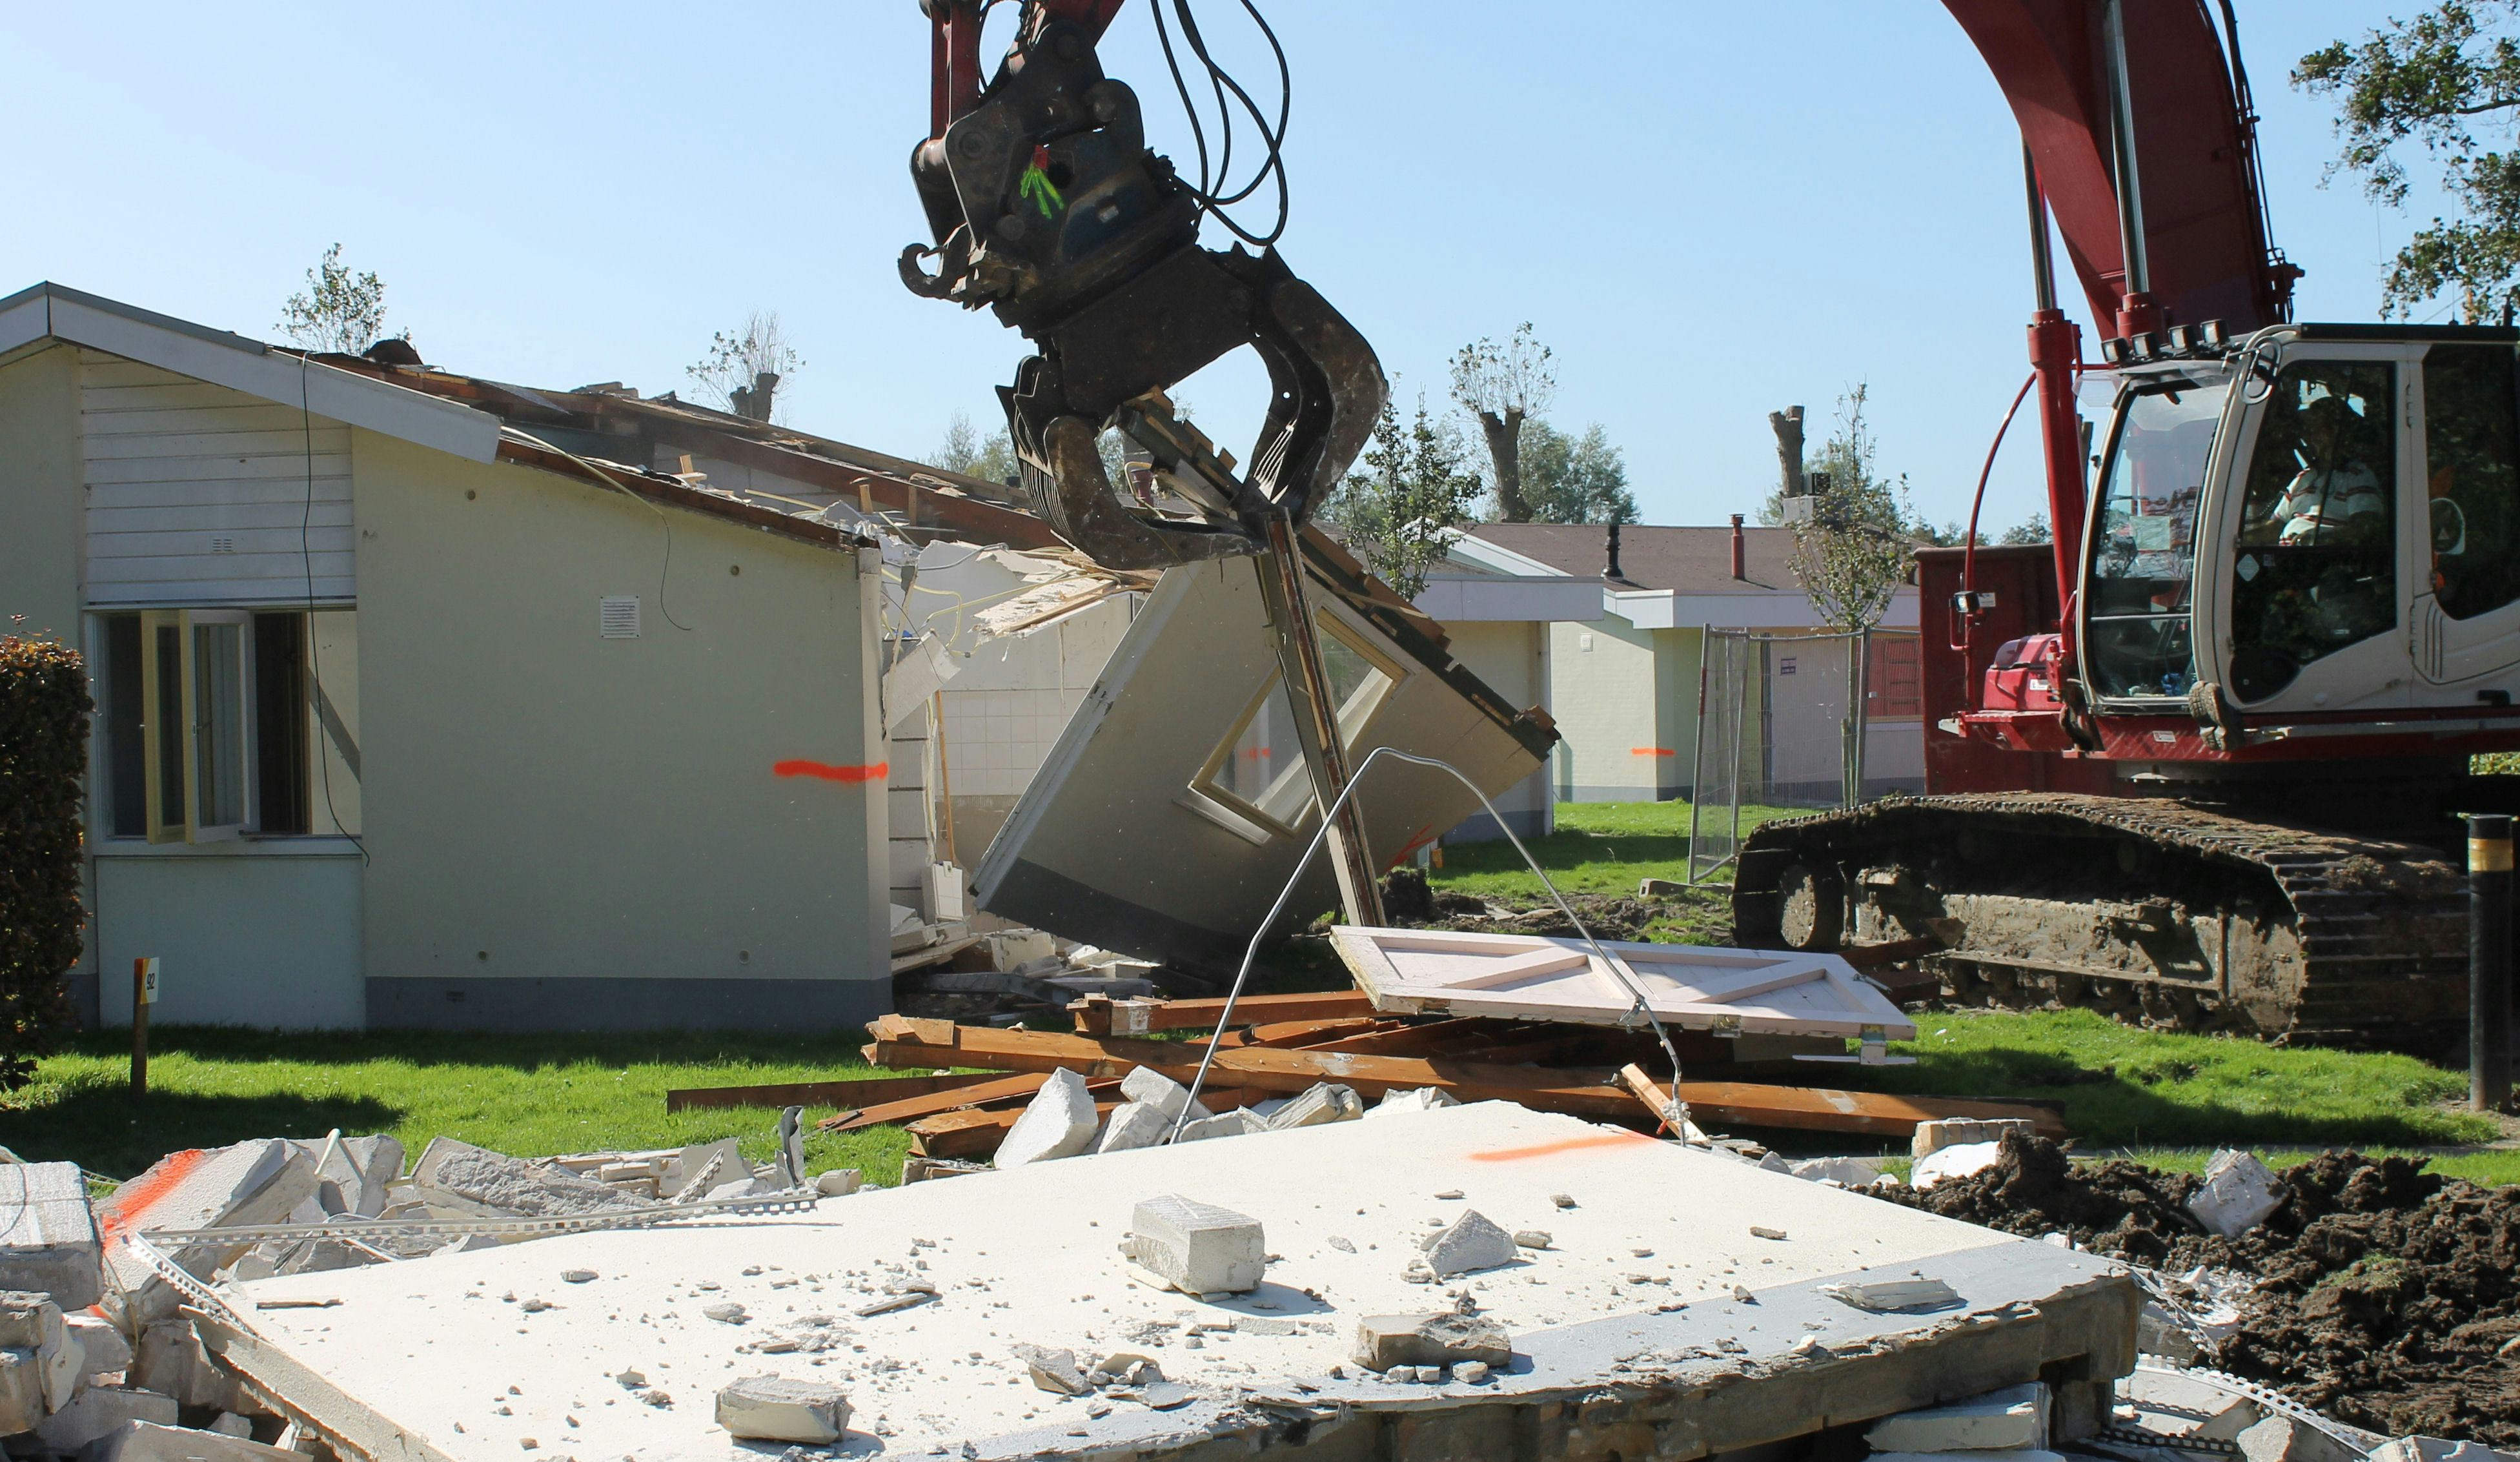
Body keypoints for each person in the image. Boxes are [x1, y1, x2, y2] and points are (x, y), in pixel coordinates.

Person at [2266, 394, 2384, 545]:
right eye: (2310, 429)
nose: (2311, 435)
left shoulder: (2357, 476)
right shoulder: (2304, 478)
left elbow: (2364, 528)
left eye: (2319, 429)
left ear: (2338, 432)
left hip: (2320, 562)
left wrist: (2316, 541)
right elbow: (2274, 527)